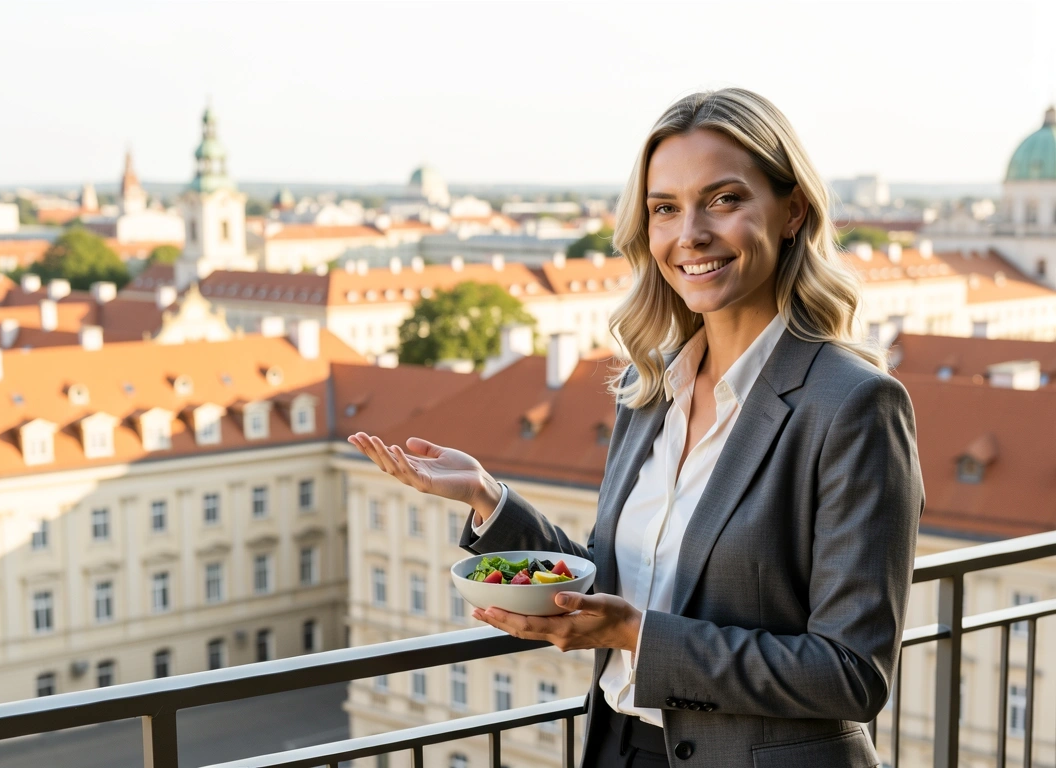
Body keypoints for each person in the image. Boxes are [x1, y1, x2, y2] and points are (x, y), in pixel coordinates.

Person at [347, 87, 923, 768]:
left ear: (792, 209)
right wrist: (488, 500)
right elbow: (620, 582)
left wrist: (638, 636)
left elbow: (851, 673)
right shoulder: (647, 388)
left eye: (725, 199)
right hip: (619, 748)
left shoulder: (853, 406)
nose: (690, 235)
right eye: (665, 209)